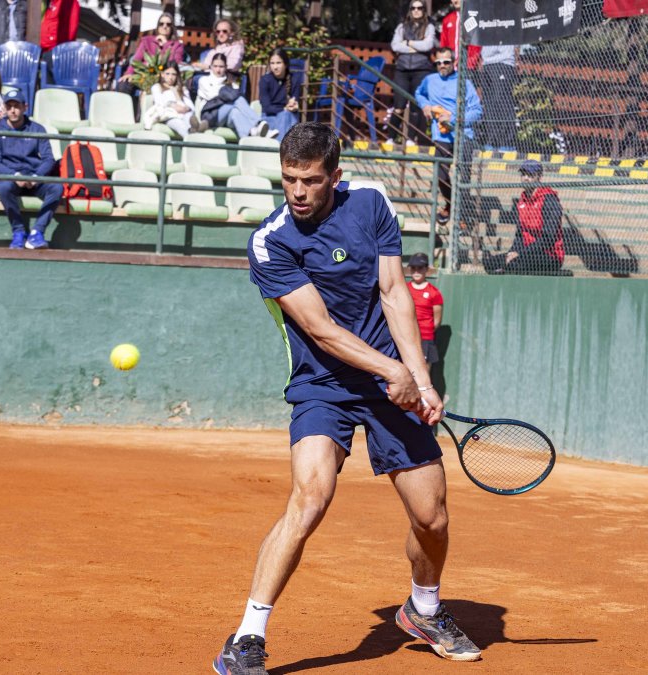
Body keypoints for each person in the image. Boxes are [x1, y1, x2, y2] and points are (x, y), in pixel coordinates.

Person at [213, 121, 478, 675]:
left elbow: (392, 291)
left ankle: (423, 609)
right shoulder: (271, 241)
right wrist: (393, 370)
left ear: (335, 174)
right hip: (324, 386)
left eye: (310, 180)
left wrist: (420, 379)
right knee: (310, 498)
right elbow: (323, 329)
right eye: (289, 180)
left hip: (391, 385)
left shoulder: (371, 203)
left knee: (432, 518)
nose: (298, 192)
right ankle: (247, 638)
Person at [415, 47, 481, 225]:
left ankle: (464, 215)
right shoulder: (430, 80)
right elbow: (418, 93)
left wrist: (456, 118)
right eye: (439, 63)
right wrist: (425, 105)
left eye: (446, 62)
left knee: (463, 176)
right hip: (441, 136)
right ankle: (450, 205)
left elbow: (477, 110)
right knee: (440, 175)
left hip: (463, 134)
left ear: (454, 63)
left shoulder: (464, 83)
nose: (442, 65)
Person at [0, 87, 61, 250]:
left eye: (16, 106)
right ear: (4, 108)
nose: (13, 110)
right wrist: (15, 176)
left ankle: (37, 232)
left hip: (34, 177)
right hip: (11, 178)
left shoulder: (37, 129)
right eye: (9, 106)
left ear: (25, 107)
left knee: (56, 188)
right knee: (4, 187)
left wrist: (35, 177)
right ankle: (19, 231)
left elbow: (48, 159)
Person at [486, 159, 564, 275]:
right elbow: (519, 235)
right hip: (526, 253)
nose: (526, 178)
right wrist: (513, 252)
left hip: (549, 255)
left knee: (513, 264)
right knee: (490, 263)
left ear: (539, 177)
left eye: (530, 175)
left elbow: (548, 238)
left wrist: (520, 253)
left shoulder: (549, 199)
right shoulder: (522, 200)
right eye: (523, 174)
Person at [385, 2, 435, 145]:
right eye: (413, 8)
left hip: (421, 69)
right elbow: (395, 45)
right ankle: (391, 138)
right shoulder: (402, 27)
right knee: (399, 105)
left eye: (419, 8)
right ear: (410, 10)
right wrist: (416, 45)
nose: (416, 11)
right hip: (402, 69)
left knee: (415, 106)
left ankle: (411, 139)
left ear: (424, 10)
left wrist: (407, 43)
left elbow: (428, 45)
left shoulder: (429, 27)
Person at [196, 53, 271, 140]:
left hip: (228, 118)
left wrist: (227, 96)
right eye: (215, 66)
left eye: (221, 66)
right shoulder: (203, 80)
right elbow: (212, 96)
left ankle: (249, 138)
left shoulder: (233, 85)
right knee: (237, 99)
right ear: (211, 66)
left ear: (226, 67)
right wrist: (228, 95)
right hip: (211, 117)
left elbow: (222, 96)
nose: (218, 69)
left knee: (235, 112)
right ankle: (259, 123)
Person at [115, 12, 184, 96]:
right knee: (123, 85)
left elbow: (174, 65)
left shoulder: (177, 46)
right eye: (161, 24)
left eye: (168, 24)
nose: (164, 26)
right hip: (144, 76)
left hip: (163, 79)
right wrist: (128, 74)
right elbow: (136, 60)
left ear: (172, 27)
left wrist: (166, 44)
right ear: (157, 26)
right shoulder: (147, 41)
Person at [405, 252, 443, 369]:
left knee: (424, 375)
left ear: (426, 269)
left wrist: (423, 332)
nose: (416, 271)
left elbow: (437, 321)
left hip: (425, 339)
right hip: (406, 336)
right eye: (413, 268)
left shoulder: (434, 292)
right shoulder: (404, 289)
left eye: (420, 268)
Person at [478, 45, 518, 153]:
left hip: (504, 61)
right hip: (487, 63)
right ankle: (491, 141)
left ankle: (507, 144)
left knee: (502, 102)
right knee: (489, 106)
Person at [258, 48, 302, 141]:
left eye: (278, 63)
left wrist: (294, 106)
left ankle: (280, 149)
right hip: (269, 118)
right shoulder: (265, 80)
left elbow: (295, 100)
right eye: (272, 63)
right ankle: (283, 149)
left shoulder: (294, 79)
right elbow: (266, 107)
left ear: (285, 64)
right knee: (285, 116)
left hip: (288, 117)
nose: (275, 67)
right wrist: (284, 109)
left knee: (286, 116)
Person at [143, 63, 198, 137]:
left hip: (184, 114)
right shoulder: (157, 87)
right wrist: (172, 105)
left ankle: (193, 132)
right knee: (180, 124)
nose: (170, 77)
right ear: (162, 74)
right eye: (167, 74)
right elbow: (160, 103)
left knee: (189, 117)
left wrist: (176, 94)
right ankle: (193, 136)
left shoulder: (182, 89)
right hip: (169, 116)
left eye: (173, 74)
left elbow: (191, 107)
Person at [438, 0, 480, 71]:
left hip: (467, 67)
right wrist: (445, 62)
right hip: (450, 67)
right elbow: (443, 44)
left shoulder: (473, 17)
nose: (455, 0)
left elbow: (476, 44)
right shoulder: (447, 20)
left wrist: (470, 63)